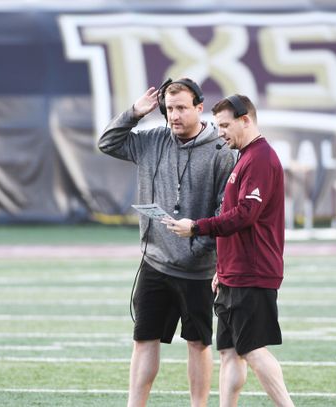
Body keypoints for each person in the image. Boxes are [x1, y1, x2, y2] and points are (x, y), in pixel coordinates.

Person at [98, 78, 235, 407]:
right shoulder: (152, 139)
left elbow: (223, 210)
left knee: (198, 342)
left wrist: (200, 249)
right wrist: (134, 113)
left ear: (199, 108)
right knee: (143, 339)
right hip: (155, 262)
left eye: (181, 108)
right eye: (169, 108)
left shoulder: (220, 150)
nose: (174, 115)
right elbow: (107, 142)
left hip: (197, 268)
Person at [163, 95, 294, 407]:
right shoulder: (245, 157)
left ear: (245, 120)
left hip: (253, 271)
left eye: (224, 125)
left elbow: (245, 214)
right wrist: (222, 270)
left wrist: (196, 226)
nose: (219, 132)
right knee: (230, 351)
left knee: (252, 349)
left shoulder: (261, 157)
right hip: (235, 273)